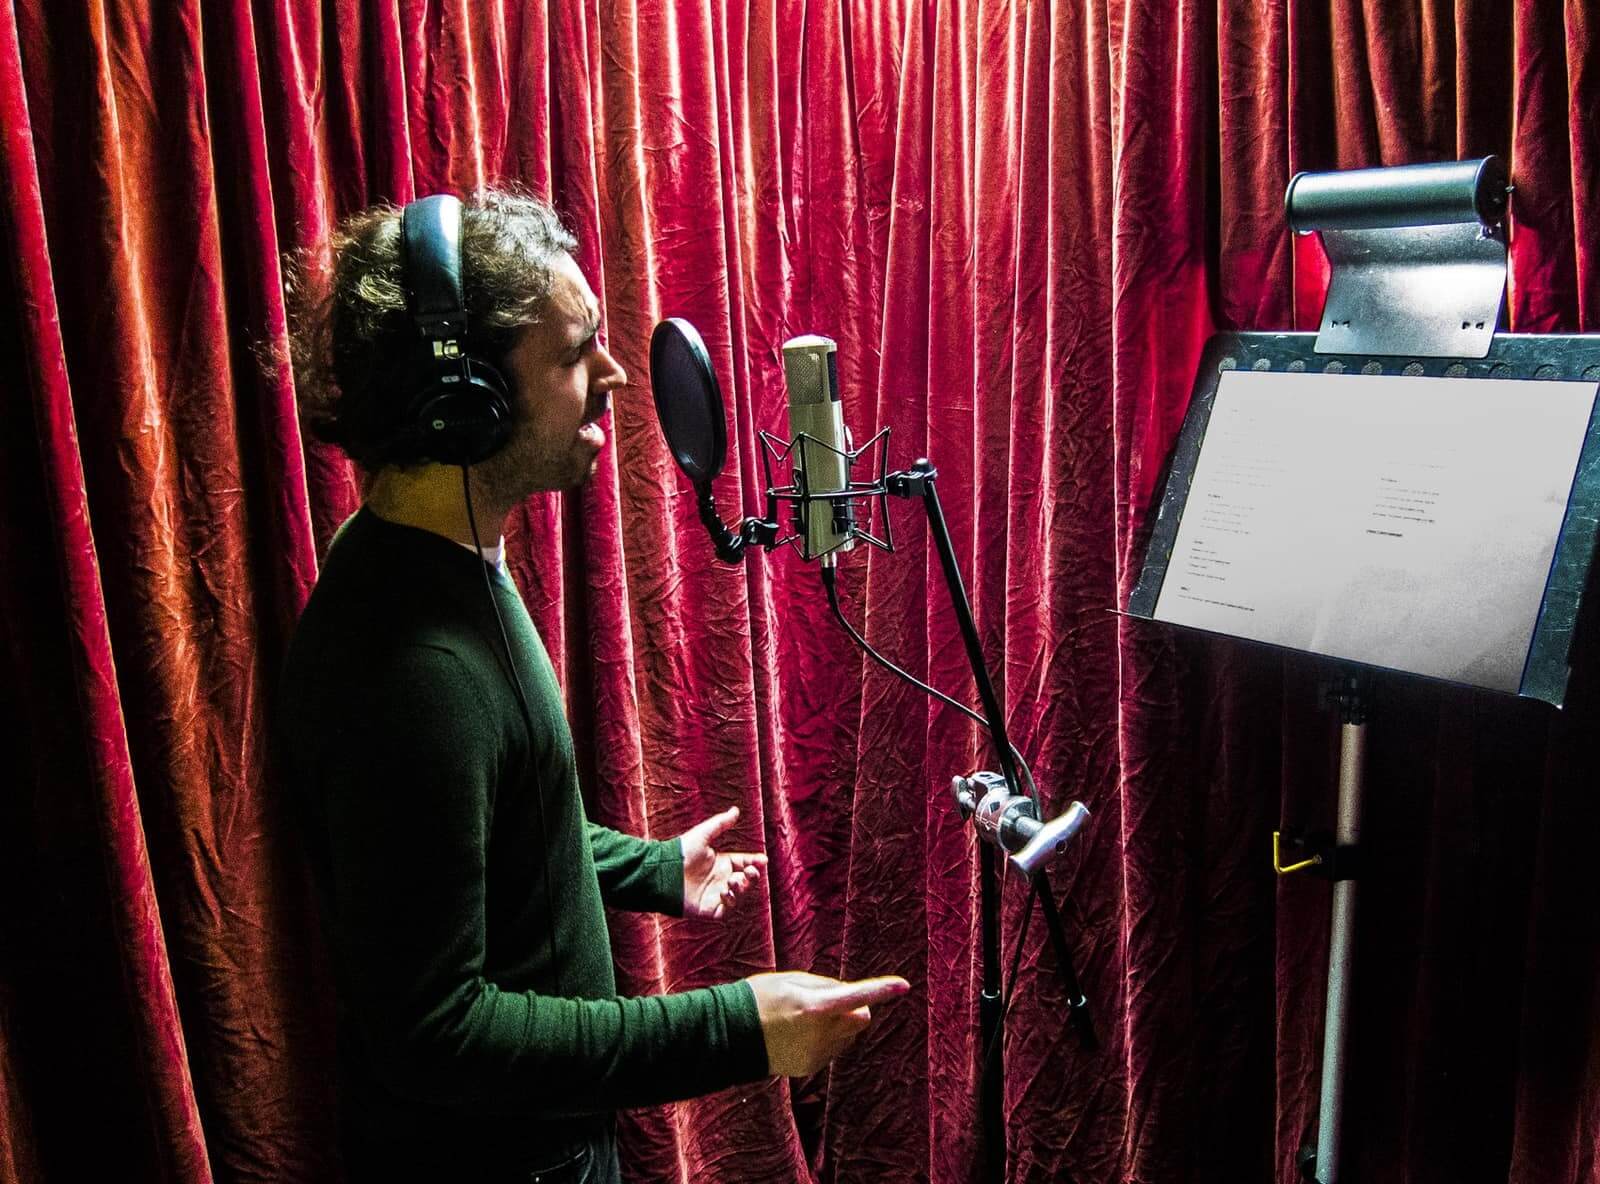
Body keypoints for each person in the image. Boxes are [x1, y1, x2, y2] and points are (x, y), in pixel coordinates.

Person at [277, 189, 908, 1182]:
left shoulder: (441, 565)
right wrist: (741, 1027)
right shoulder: (412, 669)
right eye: (575, 353)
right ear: (464, 397)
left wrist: (647, 867)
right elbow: (435, 1029)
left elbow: (484, 829)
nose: (612, 375)